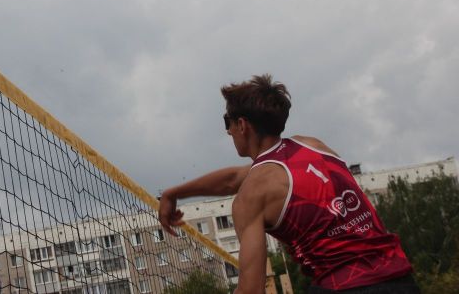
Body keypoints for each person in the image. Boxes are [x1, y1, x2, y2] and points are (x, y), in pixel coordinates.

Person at [158, 74, 419, 294]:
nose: (227, 131)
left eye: (228, 122)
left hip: (343, 286)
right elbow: (233, 179)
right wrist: (174, 193)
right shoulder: (312, 145)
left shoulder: (251, 197)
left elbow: (252, 290)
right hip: (401, 279)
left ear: (242, 125)